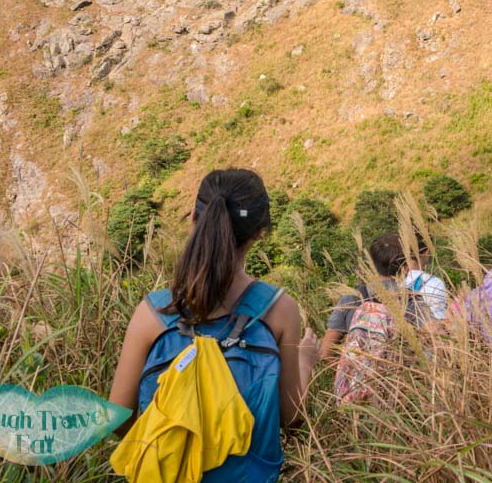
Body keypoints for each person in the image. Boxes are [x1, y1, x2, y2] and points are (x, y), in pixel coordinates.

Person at [109, 169, 319, 480]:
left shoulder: (152, 314)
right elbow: (292, 418)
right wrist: (305, 361)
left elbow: (118, 420)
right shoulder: (279, 310)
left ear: (194, 217)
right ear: (260, 232)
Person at [321, 233, 419, 362]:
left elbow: (326, 352)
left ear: (372, 263)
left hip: (356, 380)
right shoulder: (413, 301)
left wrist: (350, 376)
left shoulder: (352, 297)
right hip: (399, 380)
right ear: (405, 267)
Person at [404, 237, 448, 321]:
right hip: (426, 330)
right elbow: (439, 318)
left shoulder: (395, 279)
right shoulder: (436, 283)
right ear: (427, 252)